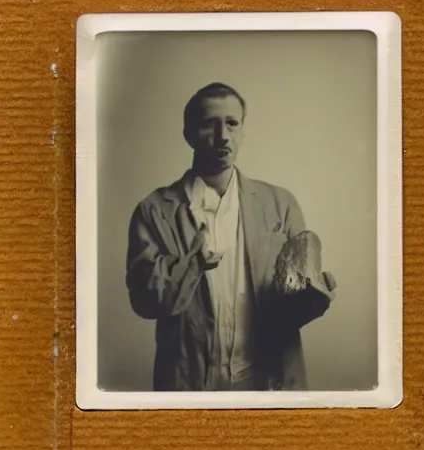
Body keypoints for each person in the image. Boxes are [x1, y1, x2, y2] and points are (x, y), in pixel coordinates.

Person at [125, 82, 336, 392]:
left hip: (267, 382)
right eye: (209, 124)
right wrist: (191, 267)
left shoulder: (280, 204)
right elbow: (144, 302)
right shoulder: (155, 211)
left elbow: (286, 309)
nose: (223, 136)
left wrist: (312, 300)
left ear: (243, 132)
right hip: (189, 386)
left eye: (232, 123)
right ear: (189, 134)